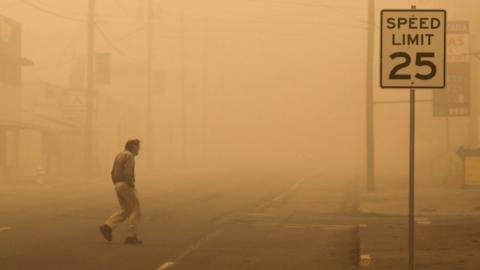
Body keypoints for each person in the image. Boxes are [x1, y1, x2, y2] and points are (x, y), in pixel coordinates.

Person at [99, 139, 142, 244]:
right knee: (135, 209)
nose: (139, 150)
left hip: (117, 184)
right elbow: (128, 172)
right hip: (125, 184)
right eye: (138, 147)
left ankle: (108, 226)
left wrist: (116, 183)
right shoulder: (129, 156)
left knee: (125, 210)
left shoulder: (119, 155)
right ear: (133, 146)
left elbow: (112, 172)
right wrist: (131, 184)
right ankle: (132, 236)